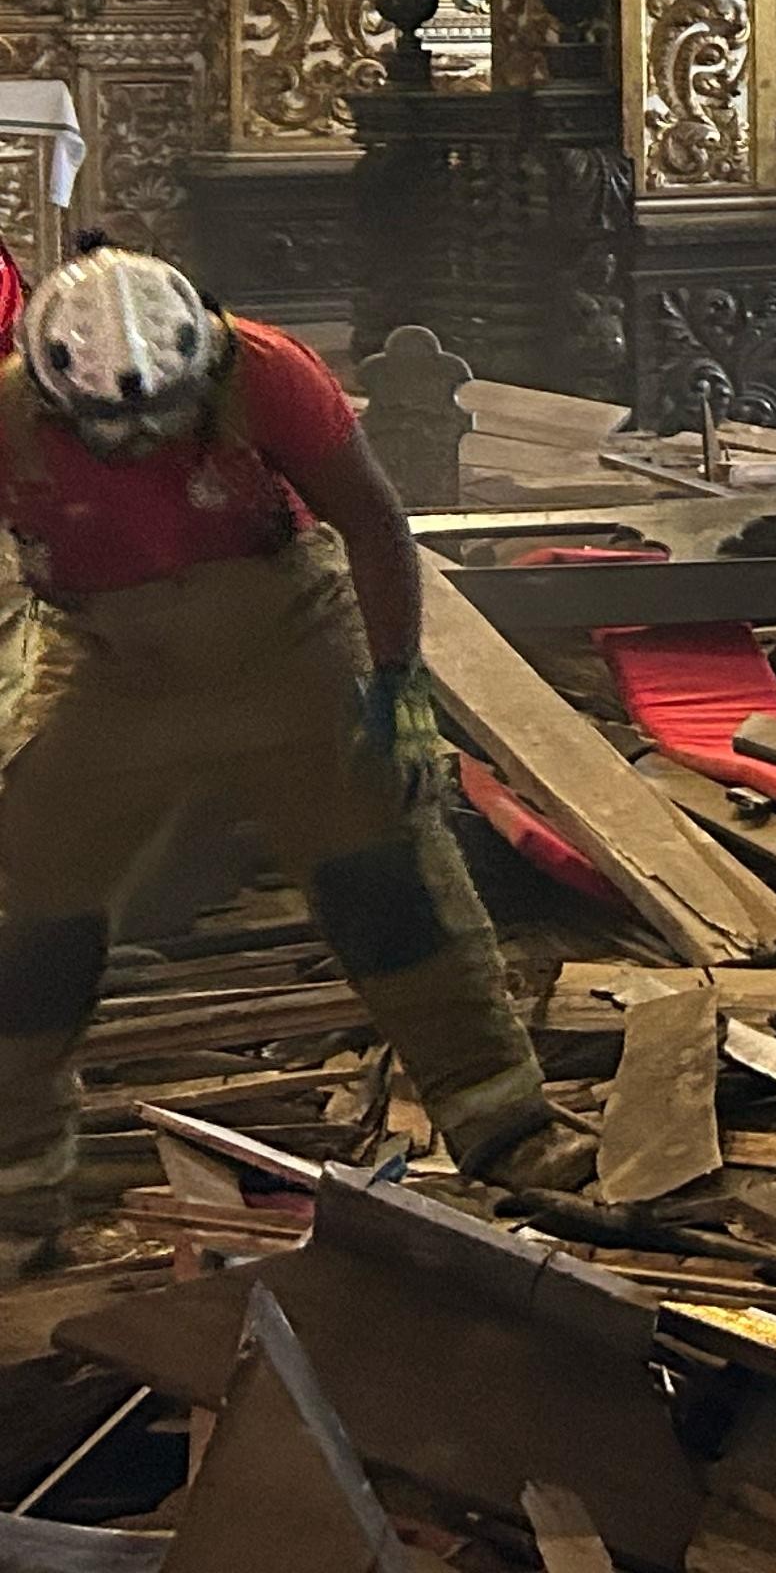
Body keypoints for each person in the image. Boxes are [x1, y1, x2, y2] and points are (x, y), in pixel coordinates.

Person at [0, 242, 580, 1259]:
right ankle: (15, 1189)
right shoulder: (10, 414)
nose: (137, 447)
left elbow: (376, 525)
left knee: (382, 872)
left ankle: (506, 1128)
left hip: (284, 638)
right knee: (33, 916)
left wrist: (398, 687)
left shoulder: (266, 373)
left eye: (158, 422)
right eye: (109, 430)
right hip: (108, 658)